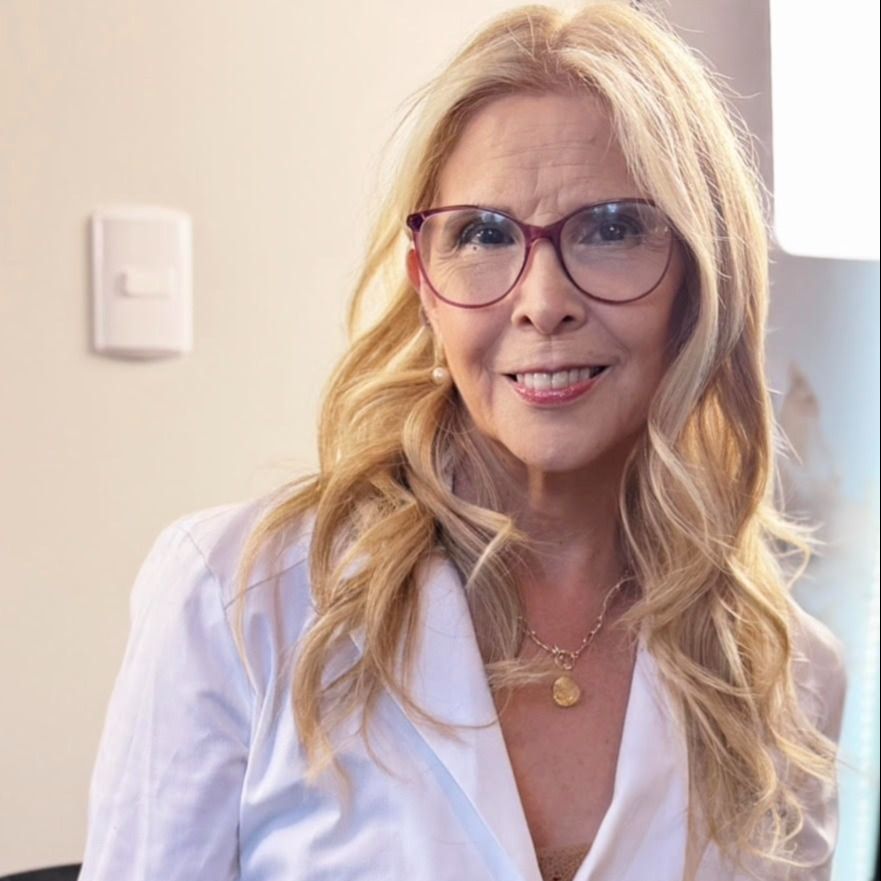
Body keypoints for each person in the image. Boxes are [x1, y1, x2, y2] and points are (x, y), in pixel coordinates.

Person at [78, 3, 846, 880]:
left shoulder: (790, 677)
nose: (543, 302)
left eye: (609, 228)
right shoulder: (234, 598)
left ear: (700, 279)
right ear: (425, 286)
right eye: (483, 234)